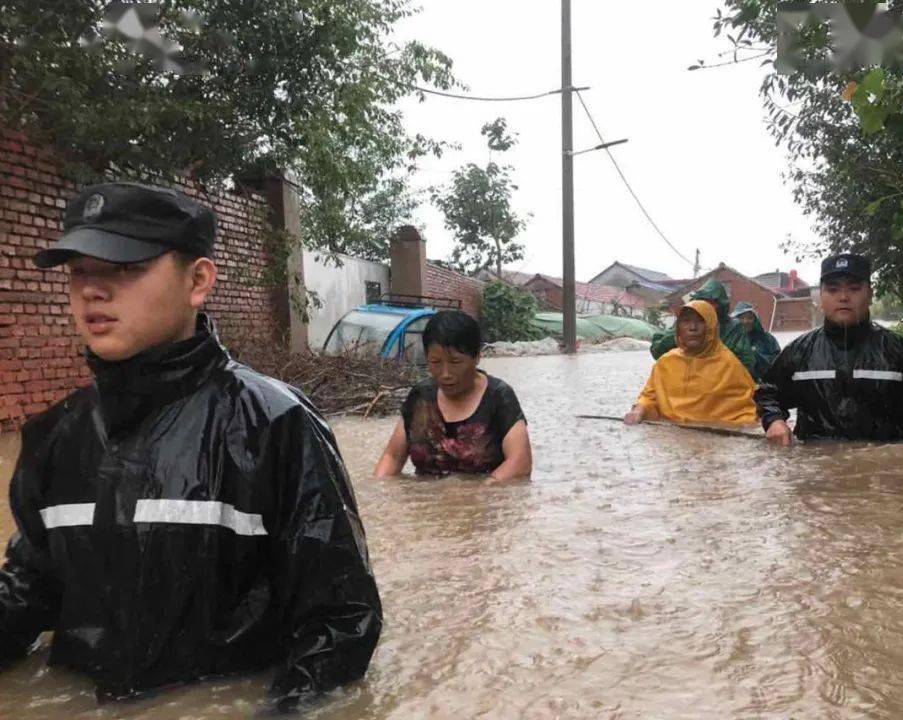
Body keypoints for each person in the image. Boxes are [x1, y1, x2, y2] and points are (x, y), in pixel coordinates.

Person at [0, 182, 381, 710]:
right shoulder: (55, 435)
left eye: (124, 267)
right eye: (79, 271)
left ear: (198, 280)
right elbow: (29, 592)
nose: (91, 291)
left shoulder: (274, 422)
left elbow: (338, 623)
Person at [755, 253, 903, 445]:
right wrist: (774, 421)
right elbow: (767, 392)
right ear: (821, 297)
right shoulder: (799, 351)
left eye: (854, 289)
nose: (844, 297)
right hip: (817, 465)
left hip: (882, 468)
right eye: (833, 290)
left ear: (870, 295)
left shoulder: (898, 350)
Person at [374, 310, 532, 480]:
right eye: (435, 362)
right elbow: (392, 458)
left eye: (455, 362)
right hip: (426, 501)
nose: (445, 373)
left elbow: (520, 462)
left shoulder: (498, 396)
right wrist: (378, 492)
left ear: (477, 357)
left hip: (482, 501)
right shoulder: (421, 397)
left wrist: (480, 494)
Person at [625, 300, 758, 426]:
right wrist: (638, 411)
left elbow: (746, 412)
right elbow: (649, 397)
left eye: (700, 321)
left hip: (712, 441)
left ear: (711, 327)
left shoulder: (730, 365)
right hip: (671, 438)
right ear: (678, 328)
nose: (692, 328)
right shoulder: (666, 362)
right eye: (686, 321)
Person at [649, 279, 756, 377]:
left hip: (717, 385)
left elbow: (746, 363)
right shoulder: (687, 323)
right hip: (682, 381)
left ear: (720, 305)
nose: (706, 307)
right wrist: (677, 336)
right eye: (702, 302)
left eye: (711, 303)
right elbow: (657, 351)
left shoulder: (732, 327)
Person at [731, 300, 782, 380]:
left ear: (755, 320)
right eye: (741, 318)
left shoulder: (766, 339)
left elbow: (778, 361)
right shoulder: (731, 339)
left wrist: (756, 356)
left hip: (764, 384)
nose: (746, 321)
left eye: (750, 318)